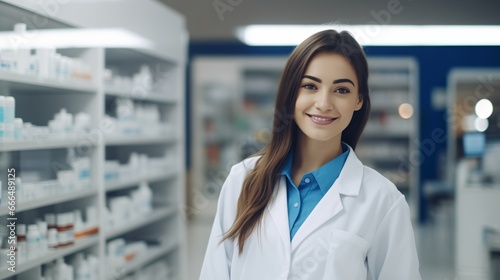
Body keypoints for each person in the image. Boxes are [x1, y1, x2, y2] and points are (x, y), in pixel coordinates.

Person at [199, 29, 421, 280]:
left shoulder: (383, 201)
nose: (324, 103)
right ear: (292, 93)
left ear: (359, 100)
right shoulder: (242, 180)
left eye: (341, 90)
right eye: (310, 86)